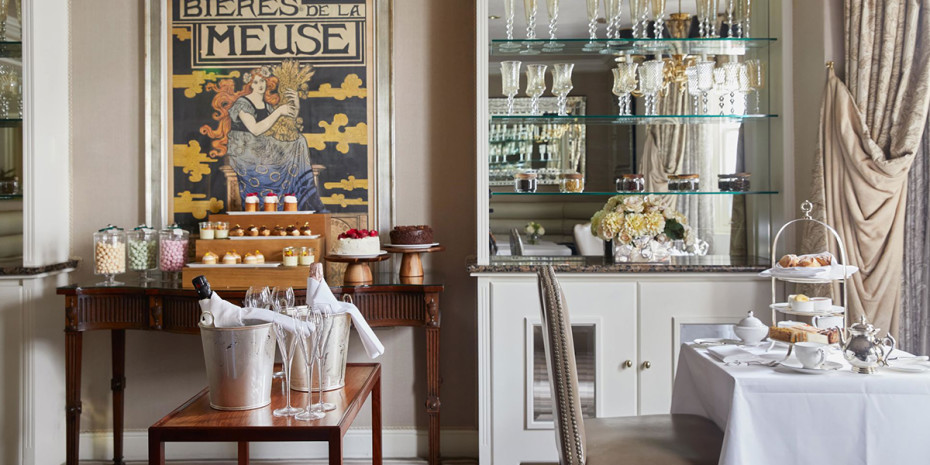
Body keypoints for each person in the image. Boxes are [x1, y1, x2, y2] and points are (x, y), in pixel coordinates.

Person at [200, 66, 327, 212]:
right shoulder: (242, 103)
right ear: (249, 84)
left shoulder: (267, 106)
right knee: (297, 142)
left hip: (264, 145)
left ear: (268, 83)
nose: (259, 85)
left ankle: (305, 197)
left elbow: (287, 123)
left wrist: (295, 103)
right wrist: (279, 111)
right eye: (255, 82)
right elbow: (255, 129)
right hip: (246, 148)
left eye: (263, 81)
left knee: (299, 141)